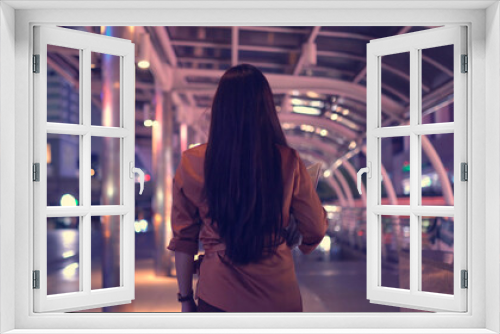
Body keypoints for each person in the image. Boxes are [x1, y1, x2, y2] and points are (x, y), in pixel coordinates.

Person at [167, 64, 327, 312]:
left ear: (220, 108)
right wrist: (300, 243)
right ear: (266, 110)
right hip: (278, 296)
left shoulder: (193, 162)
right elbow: (315, 228)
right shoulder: (288, 161)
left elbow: (183, 240)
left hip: (218, 295)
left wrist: (186, 299)